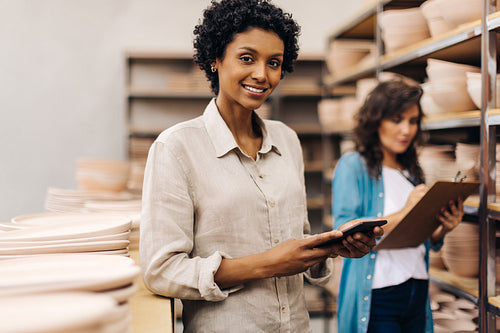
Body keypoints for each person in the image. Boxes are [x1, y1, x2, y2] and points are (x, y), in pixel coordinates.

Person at [139, 0, 383, 332]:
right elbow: (161, 271)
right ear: (215, 58)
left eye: (274, 63)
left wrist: (329, 248)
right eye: (247, 58)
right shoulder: (176, 148)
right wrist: (266, 264)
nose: (262, 74)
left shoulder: (287, 140)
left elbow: (294, 238)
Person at [332, 78, 464, 333]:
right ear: (375, 121)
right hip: (379, 295)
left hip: (417, 290)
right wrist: (405, 213)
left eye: (413, 121)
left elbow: (417, 236)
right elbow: (343, 230)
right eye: (397, 120)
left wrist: (443, 228)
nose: (406, 130)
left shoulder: (412, 172)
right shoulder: (353, 165)